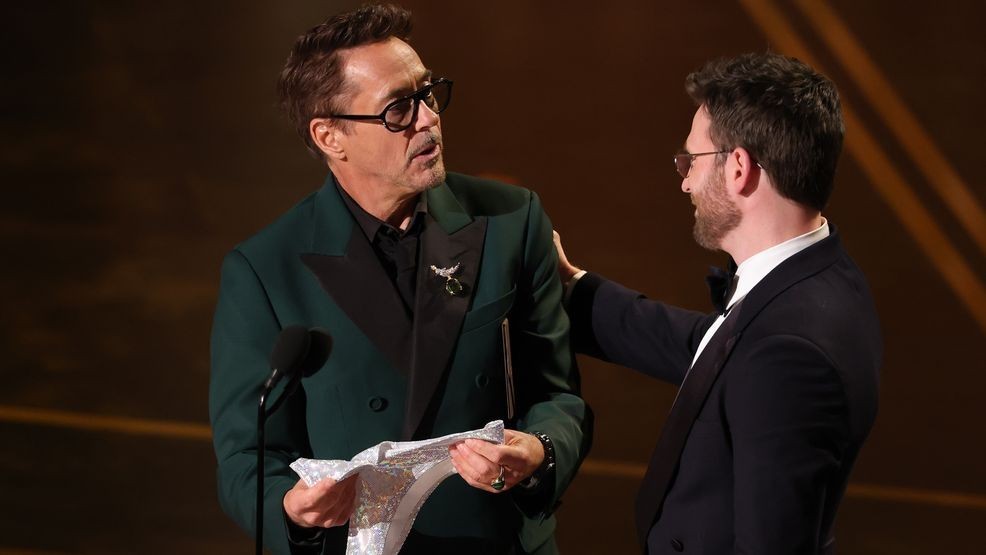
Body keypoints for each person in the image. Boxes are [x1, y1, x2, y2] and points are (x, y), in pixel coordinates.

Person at [208, 4, 591, 554]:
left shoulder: (512, 219)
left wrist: (540, 451)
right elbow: (248, 458)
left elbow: (558, 394)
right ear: (330, 136)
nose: (428, 119)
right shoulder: (265, 270)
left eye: (428, 94)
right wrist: (293, 510)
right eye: (397, 109)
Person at [554, 52, 881, 554]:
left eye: (691, 160)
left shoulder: (788, 354)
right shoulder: (821, 275)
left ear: (739, 169)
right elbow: (713, 350)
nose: (684, 180)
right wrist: (572, 287)